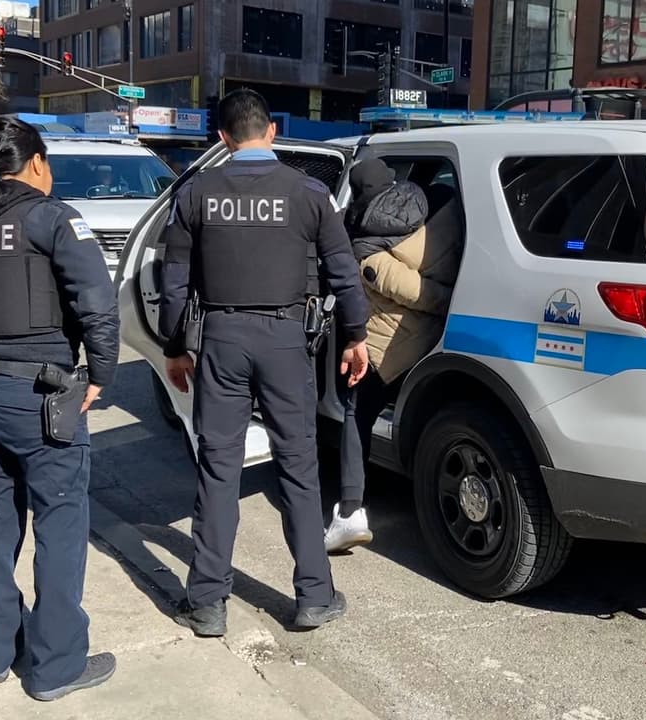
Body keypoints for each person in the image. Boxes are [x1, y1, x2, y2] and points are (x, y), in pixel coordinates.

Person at [158, 88, 371, 635]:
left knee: (218, 469)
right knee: (299, 468)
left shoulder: (196, 193)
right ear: (271, 131)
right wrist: (354, 335)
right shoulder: (308, 192)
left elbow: (173, 279)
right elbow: (343, 272)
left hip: (221, 342)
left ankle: (206, 602)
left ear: (223, 138)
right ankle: (314, 598)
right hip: (284, 341)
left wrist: (173, 346)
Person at [0, 116, 120, 701]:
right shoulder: (51, 217)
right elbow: (98, 304)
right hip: (41, 394)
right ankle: (56, 667)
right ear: (35, 164)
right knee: (60, 525)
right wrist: (101, 374)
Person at [330, 159, 464, 553]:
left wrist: (449, 303)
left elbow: (418, 294)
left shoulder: (365, 249)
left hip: (395, 345)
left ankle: (350, 511)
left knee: (356, 411)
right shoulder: (436, 201)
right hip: (434, 339)